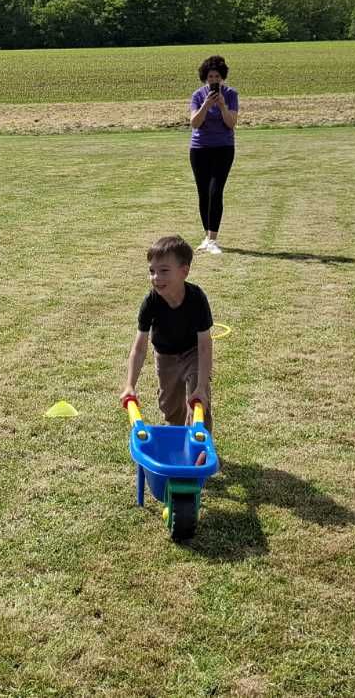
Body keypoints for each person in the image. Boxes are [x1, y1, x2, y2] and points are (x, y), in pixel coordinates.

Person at [122, 236, 215, 429]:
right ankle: (175, 441)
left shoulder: (197, 299)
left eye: (164, 271)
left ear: (184, 272)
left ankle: (200, 451)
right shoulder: (151, 303)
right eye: (152, 271)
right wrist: (130, 384)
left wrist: (201, 386)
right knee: (170, 408)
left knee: (199, 403)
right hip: (165, 357)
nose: (156, 277)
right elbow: (139, 348)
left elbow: (205, 346)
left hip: (193, 353)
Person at [188, 55, 238, 254]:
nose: (214, 80)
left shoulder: (231, 94)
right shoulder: (197, 96)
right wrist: (206, 106)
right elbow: (194, 123)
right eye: (210, 76)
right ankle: (207, 237)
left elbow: (231, 122)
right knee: (203, 193)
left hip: (223, 148)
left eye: (217, 76)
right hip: (199, 149)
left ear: (222, 77)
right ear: (205, 78)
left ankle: (213, 239)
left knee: (215, 192)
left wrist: (223, 106)